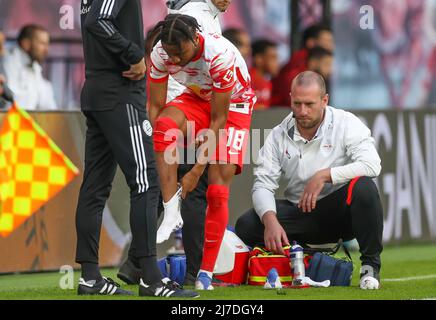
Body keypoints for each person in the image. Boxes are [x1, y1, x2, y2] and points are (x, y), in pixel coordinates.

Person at [76, 0, 197, 298]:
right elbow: (98, 21)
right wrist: (133, 54)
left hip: (98, 89)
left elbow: (95, 20)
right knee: (146, 182)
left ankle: (90, 277)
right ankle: (151, 279)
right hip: (118, 93)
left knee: (94, 187)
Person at [117, 0, 233, 287]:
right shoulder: (196, 20)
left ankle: (135, 263)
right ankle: (195, 272)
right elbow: (193, 74)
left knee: (160, 192)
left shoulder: (191, 14)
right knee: (194, 191)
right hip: (187, 111)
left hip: (176, 111)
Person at [235, 71, 384, 290]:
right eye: (297, 103)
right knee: (246, 223)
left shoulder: (346, 123)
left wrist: (325, 175)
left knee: (365, 187)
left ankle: (370, 267)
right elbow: (262, 184)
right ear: (290, 98)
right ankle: (301, 256)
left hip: (341, 215)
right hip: (300, 215)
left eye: (309, 104)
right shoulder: (278, 135)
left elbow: (373, 164)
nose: (302, 111)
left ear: (325, 100)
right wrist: (270, 221)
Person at [148, 14, 256, 290]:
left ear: (195, 39)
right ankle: (171, 210)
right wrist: (162, 146)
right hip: (199, 97)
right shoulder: (162, 52)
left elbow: (219, 120)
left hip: (233, 107)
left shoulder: (217, 56)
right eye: (170, 54)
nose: (176, 60)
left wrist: (197, 169)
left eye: (180, 52)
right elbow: (156, 107)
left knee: (216, 192)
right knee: (163, 126)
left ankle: (205, 273)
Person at [271, 24, 333, 106]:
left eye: (331, 41)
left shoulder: (306, 65)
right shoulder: (297, 68)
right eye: (326, 41)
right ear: (311, 43)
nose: (330, 46)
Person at [3, 25, 57, 110]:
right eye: (42, 44)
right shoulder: (9, 62)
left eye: (47, 44)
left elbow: (46, 104)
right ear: (26, 44)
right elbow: (11, 104)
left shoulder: (35, 66)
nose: (46, 50)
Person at [249, 39, 280, 110]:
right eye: (273, 57)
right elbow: (238, 106)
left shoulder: (268, 83)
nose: (277, 63)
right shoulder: (246, 79)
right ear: (259, 59)